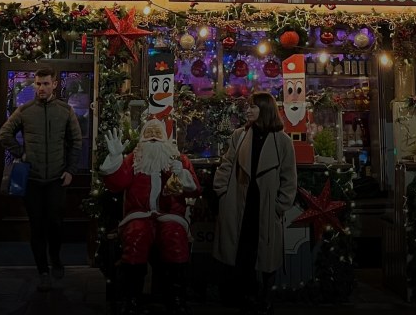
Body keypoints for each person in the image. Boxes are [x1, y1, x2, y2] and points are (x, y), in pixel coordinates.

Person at [101, 118, 201, 314]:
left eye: (157, 133)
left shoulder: (179, 160)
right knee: (136, 236)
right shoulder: (133, 159)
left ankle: (176, 297)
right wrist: (115, 159)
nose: (154, 137)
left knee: (174, 237)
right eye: (149, 133)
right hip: (138, 215)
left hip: (170, 215)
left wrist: (182, 176)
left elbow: (195, 190)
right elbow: (117, 184)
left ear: (165, 138)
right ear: (142, 138)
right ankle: (132, 298)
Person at [213, 92, 298, 315]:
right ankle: (246, 295)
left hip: (266, 205)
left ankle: (265, 296)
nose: (248, 111)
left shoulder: (283, 141)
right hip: (239, 202)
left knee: (267, 253)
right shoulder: (240, 135)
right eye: (248, 107)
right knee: (243, 249)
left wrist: (280, 205)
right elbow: (227, 164)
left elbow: (289, 179)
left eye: (253, 107)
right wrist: (222, 192)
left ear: (265, 110)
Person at [0, 67, 83, 291]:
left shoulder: (65, 111)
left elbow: (76, 141)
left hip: (56, 178)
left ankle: (55, 259)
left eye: (46, 83)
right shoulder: (25, 110)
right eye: (38, 84)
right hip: (32, 179)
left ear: (54, 84)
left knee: (55, 223)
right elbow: (4, 134)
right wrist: (19, 153)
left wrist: (70, 171)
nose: (41, 88)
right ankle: (42, 270)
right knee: (36, 226)